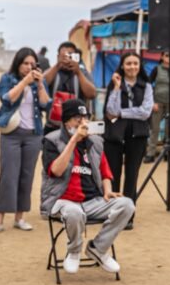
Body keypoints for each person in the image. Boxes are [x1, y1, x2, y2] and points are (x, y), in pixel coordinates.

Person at [40, 99, 133, 274]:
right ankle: (74, 251)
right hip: (62, 200)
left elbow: (104, 171)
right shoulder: (51, 141)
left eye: (86, 117)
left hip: (92, 201)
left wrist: (108, 191)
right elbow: (56, 171)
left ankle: (98, 248)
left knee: (127, 205)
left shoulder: (96, 142)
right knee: (74, 212)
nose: (83, 122)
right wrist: (74, 140)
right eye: (77, 118)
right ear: (66, 121)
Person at [0, 47, 50, 235]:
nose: (29, 67)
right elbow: (6, 99)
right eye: (25, 63)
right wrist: (25, 81)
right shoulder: (8, 79)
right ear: (18, 63)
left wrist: (39, 85)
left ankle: (20, 217)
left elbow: (46, 104)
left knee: (26, 175)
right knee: (8, 175)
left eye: (32, 64)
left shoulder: (39, 81)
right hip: (11, 133)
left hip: (34, 133)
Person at [103, 51, 154, 205]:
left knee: (132, 175)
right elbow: (110, 111)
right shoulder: (114, 84)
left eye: (135, 63)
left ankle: (128, 213)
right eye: (128, 63)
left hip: (138, 135)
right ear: (122, 66)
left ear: (140, 66)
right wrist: (117, 88)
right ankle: (112, 210)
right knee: (113, 174)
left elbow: (145, 112)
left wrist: (121, 113)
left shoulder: (147, 86)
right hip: (114, 135)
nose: (132, 67)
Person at [41, 41, 97, 134]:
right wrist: (58, 65)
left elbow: (92, 94)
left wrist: (78, 72)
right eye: (63, 56)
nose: (66, 59)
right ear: (57, 57)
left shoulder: (82, 72)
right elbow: (41, 84)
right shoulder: (52, 71)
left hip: (77, 126)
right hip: (53, 126)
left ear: (75, 57)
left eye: (70, 56)